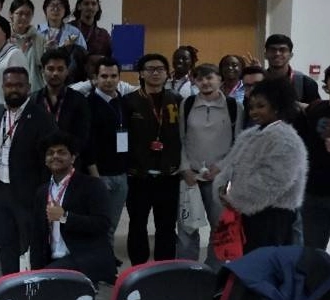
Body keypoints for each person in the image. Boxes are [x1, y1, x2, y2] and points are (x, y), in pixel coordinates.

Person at [214, 77, 308, 252]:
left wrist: (235, 197)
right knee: (248, 259)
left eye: (261, 106)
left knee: (266, 262)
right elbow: (230, 165)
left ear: (277, 107)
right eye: (251, 107)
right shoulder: (250, 134)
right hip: (249, 212)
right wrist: (222, 188)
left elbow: (272, 181)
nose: (254, 112)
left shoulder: (285, 139)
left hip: (273, 217)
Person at [0, 66, 58, 274]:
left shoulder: (41, 117)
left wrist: (44, 193)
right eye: (9, 85)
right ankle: (9, 284)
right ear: (3, 87)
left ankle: (33, 286)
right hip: (2, 190)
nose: (14, 90)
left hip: (29, 193)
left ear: (28, 87)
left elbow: (49, 160)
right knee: (6, 243)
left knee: (31, 245)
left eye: (19, 85)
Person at [176, 63, 241, 261]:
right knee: (186, 229)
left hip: (219, 178)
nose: (205, 82)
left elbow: (238, 143)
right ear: (194, 82)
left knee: (219, 229)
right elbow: (180, 139)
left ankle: (214, 271)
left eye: (210, 77)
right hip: (190, 177)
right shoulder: (187, 104)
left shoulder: (233, 107)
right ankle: (187, 270)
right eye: (200, 78)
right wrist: (185, 168)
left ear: (220, 79)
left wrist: (221, 168)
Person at [123, 53, 183, 264]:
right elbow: (122, 137)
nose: (155, 73)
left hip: (169, 174)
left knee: (166, 226)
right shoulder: (129, 102)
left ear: (167, 74)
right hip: (138, 175)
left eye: (160, 69)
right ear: (141, 73)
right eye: (150, 69)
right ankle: (138, 269)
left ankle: (164, 269)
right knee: (137, 224)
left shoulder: (177, 100)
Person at [40, 132, 116, 284]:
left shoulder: (92, 185)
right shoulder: (42, 191)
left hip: (84, 258)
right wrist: (34, 272)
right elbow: (37, 235)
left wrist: (65, 217)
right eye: (50, 153)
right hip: (53, 260)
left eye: (61, 152)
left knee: (48, 280)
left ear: (73, 158)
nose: (55, 156)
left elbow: (103, 224)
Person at [85, 57, 130, 256]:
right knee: (99, 224)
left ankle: (107, 258)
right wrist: (95, 175)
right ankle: (102, 262)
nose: (109, 80)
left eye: (113, 76)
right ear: (95, 78)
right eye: (104, 76)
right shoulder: (88, 104)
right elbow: (87, 142)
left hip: (121, 173)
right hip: (99, 175)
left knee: (112, 223)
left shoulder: (122, 102)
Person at [300, 61, 330, 250]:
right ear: (326, 84)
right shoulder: (316, 109)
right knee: (312, 252)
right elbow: (299, 106)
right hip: (313, 194)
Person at [34, 48, 92, 157]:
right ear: (43, 70)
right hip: (41, 160)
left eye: (60, 69)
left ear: (67, 71)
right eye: (50, 69)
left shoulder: (79, 100)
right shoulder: (34, 100)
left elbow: (82, 136)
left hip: (70, 160)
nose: (55, 73)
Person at [263, 34, 321, 105]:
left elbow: (317, 110)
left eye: (282, 50)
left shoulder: (306, 84)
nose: (277, 53)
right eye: (273, 50)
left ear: (290, 55)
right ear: (265, 55)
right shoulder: (258, 81)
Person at [9, 0, 46, 94]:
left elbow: (43, 67)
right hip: (9, 91)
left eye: (28, 14)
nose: (24, 17)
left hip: (35, 91)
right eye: (20, 13)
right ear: (11, 14)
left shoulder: (39, 39)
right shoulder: (4, 37)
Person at [73, 0, 112, 67]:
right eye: (86, 4)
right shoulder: (69, 28)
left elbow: (109, 58)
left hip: (95, 72)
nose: (90, 7)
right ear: (79, 6)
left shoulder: (103, 34)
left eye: (94, 4)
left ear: (98, 8)